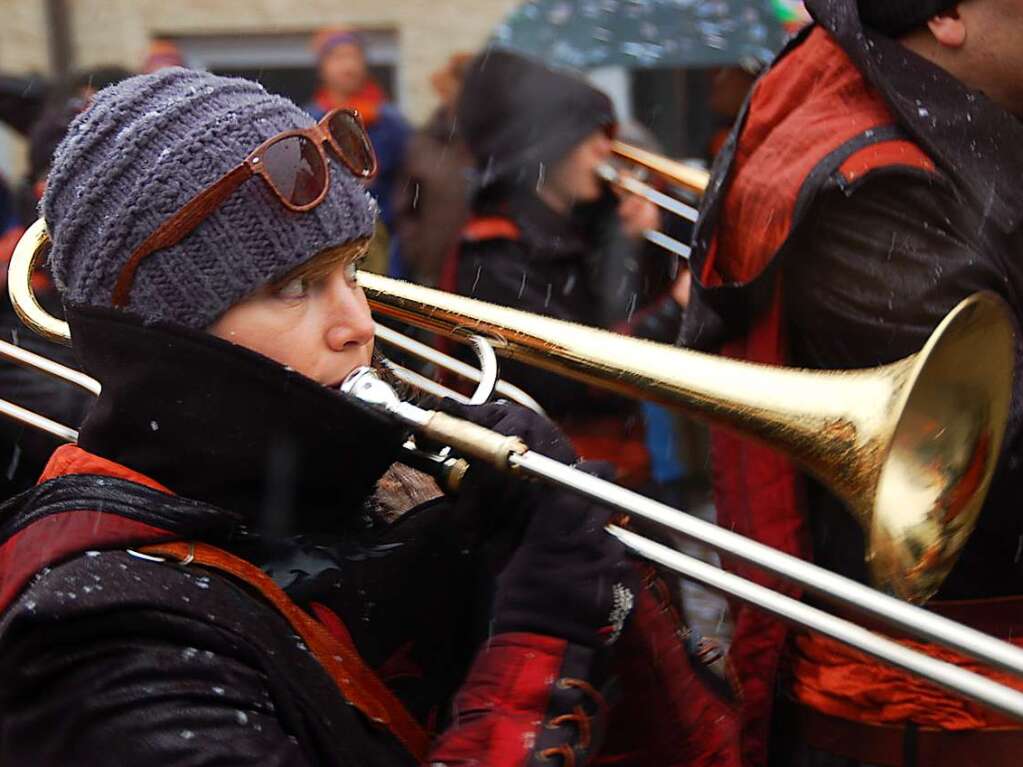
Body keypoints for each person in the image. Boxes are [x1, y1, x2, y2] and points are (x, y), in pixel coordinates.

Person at [0, 68, 738, 766]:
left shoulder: (343, 487)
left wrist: (494, 539)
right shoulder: (92, 639)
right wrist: (540, 634)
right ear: (169, 333)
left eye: (352, 270)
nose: (359, 326)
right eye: (297, 287)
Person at [680, 0, 1023, 765]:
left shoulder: (943, 116)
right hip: (935, 718)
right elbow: (985, 472)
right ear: (949, 16)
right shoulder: (869, 184)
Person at [451, 50, 690, 489]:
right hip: (563, 479)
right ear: (552, 146)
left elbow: (616, 309)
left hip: (623, 464)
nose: (608, 149)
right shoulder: (494, 250)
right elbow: (570, 376)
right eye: (591, 137)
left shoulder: (583, 226)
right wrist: (675, 309)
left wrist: (642, 243)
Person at [306, 27, 410, 278]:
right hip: (329, 242)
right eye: (338, 57)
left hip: (387, 241)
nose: (348, 66)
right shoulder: (309, 121)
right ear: (323, 67)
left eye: (354, 56)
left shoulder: (390, 122)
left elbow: (409, 182)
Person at [393, 53, 474, 288]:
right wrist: (418, 253)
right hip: (435, 279)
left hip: (494, 282)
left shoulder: (500, 143)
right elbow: (406, 209)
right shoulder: (423, 144)